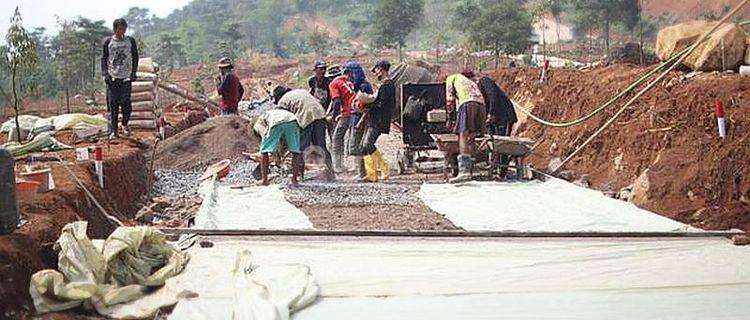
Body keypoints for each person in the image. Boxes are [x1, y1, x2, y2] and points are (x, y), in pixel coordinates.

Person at [273, 85, 336, 181]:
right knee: (321, 146)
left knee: (301, 148)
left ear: (278, 96)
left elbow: (282, 122)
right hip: (320, 113)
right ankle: (331, 174)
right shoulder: (301, 91)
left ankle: (299, 174)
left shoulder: (282, 101)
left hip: (306, 116)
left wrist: (281, 146)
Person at [351, 60, 395, 182]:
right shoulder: (383, 85)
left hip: (379, 120)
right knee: (365, 146)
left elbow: (381, 104)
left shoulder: (387, 85)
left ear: (381, 69)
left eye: (375, 70)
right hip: (375, 118)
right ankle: (372, 174)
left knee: (367, 145)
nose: (375, 73)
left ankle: (383, 168)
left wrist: (366, 106)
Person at [445, 72, 486, 183]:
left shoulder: (450, 78)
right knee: (471, 136)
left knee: (462, 135)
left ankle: (463, 172)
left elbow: (450, 101)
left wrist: (449, 115)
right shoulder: (469, 82)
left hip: (467, 102)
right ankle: (471, 170)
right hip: (481, 104)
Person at [102, 18, 138, 138]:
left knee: (125, 102)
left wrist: (133, 72)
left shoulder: (130, 41)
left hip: (126, 77)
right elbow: (104, 59)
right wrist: (105, 74)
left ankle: (124, 123)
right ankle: (114, 130)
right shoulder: (108, 42)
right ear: (115, 29)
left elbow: (135, 56)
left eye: (124, 29)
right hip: (113, 77)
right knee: (113, 104)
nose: (122, 32)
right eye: (119, 29)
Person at [253, 108, 303, 186]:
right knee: (295, 151)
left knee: (264, 151)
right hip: (292, 120)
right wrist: (278, 154)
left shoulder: (258, 124)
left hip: (276, 121)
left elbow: (265, 136)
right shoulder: (273, 113)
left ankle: (264, 180)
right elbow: (283, 142)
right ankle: (295, 180)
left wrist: (274, 153)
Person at [344, 61, 373, 179]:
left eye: (349, 74)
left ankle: (364, 173)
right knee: (355, 145)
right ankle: (361, 171)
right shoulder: (358, 86)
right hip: (355, 117)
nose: (348, 77)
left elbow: (368, 108)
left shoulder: (364, 86)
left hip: (361, 119)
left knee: (358, 145)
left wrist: (361, 121)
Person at [327, 64, 356, 173]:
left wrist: (334, 116)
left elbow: (337, 101)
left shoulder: (334, 84)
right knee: (347, 137)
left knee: (336, 139)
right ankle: (345, 164)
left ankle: (337, 166)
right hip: (354, 111)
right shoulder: (347, 81)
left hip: (346, 113)